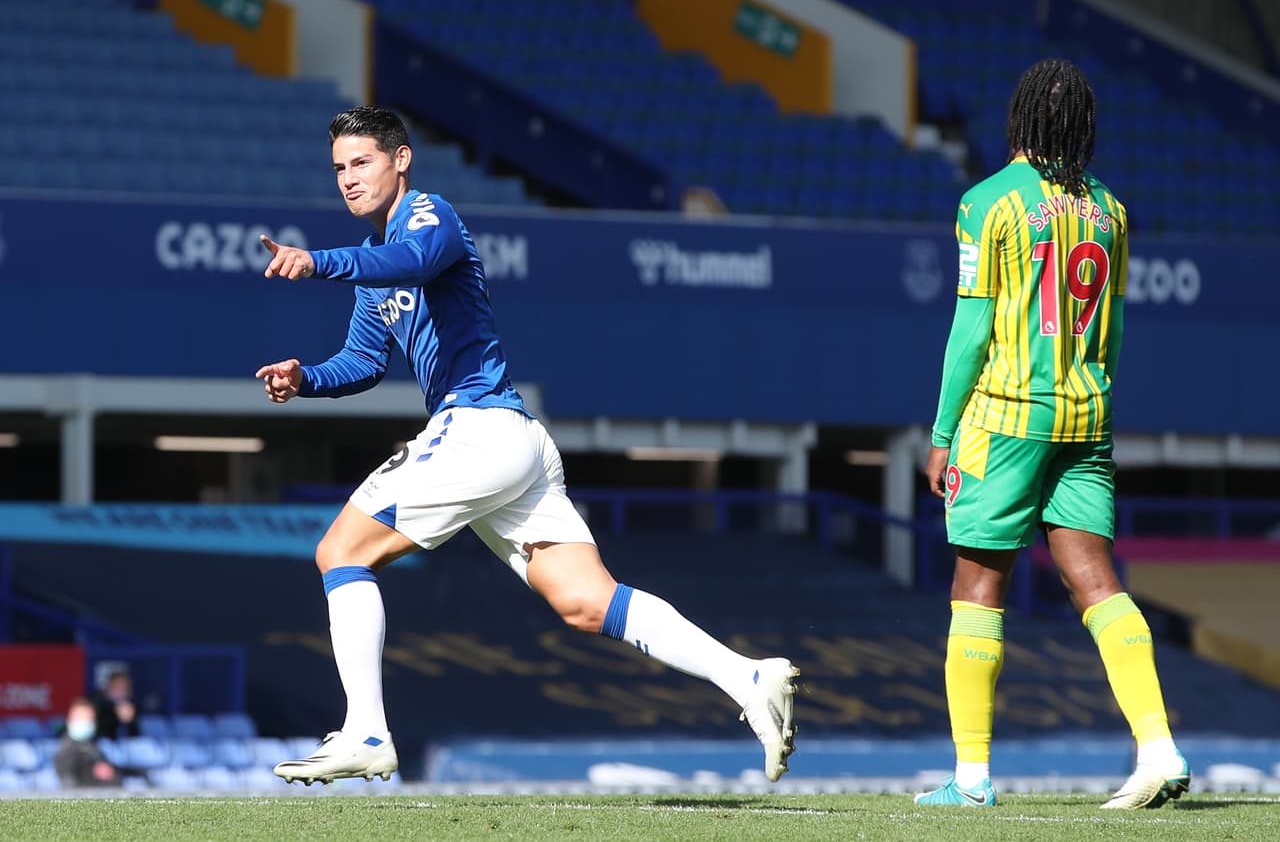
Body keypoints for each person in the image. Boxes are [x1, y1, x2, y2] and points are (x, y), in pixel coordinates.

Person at [255, 105, 799, 786]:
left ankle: (366, 730)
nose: (348, 178)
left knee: (340, 551)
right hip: (508, 445)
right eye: (339, 167)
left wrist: (319, 263)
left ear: (401, 160)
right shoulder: (372, 264)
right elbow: (363, 363)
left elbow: (418, 260)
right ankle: (749, 677)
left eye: (361, 161)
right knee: (587, 603)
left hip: (477, 428)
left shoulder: (430, 217)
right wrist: (305, 377)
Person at [916, 59, 1188, 810]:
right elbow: (1118, 330)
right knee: (1095, 581)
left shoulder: (987, 204)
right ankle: (1159, 747)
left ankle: (971, 782)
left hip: (1005, 419)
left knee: (977, 585)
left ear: (1020, 119)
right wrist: (1088, 397)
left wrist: (942, 432)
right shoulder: (1111, 212)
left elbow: (971, 332)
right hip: (1086, 418)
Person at [54, 697, 122, 788]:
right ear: (70, 719)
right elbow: (68, 781)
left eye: (89, 718)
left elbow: (111, 774)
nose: (85, 722)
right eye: (81, 718)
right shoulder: (65, 749)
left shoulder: (94, 747)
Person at [91, 669, 140, 740]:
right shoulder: (96, 702)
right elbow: (99, 730)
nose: (121, 689)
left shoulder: (133, 705)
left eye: (125, 686)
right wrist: (116, 715)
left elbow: (135, 735)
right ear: (109, 686)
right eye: (118, 685)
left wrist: (130, 721)